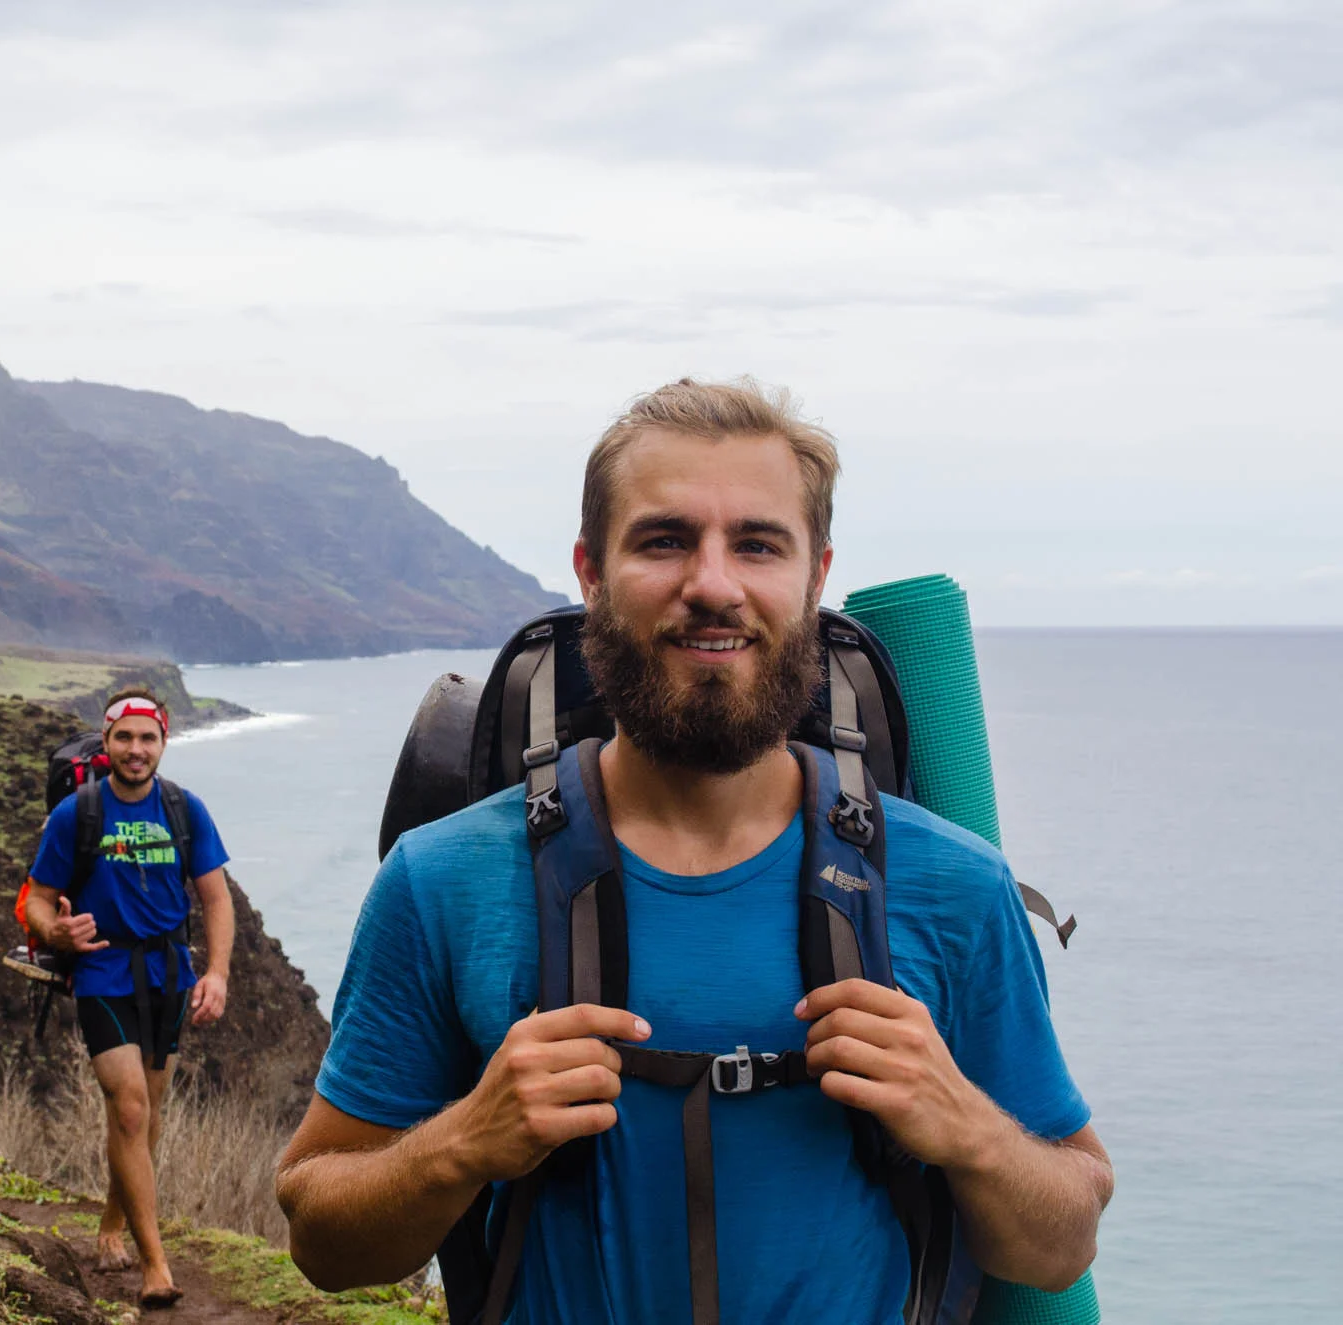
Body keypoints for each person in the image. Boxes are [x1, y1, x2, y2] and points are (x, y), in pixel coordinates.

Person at [275, 379, 1113, 1322]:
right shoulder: (442, 880)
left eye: (757, 543)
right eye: (665, 539)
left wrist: (970, 1129)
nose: (712, 584)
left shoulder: (956, 886)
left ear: (815, 576)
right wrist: (466, 1139)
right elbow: (322, 1238)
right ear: (591, 573)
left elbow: (1061, 1243)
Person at [24, 686, 235, 1310]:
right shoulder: (77, 814)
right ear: (108, 742)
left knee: (146, 1113)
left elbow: (216, 898)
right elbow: (37, 898)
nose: (136, 749)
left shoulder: (183, 809)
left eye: (148, 738)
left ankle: (114, 1223)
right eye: (125, 738)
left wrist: (216, 974)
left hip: (168, 975)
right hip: (102, 972)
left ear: (163, 742)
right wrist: (54, 930)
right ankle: (155, 1265)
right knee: (132, 1110)